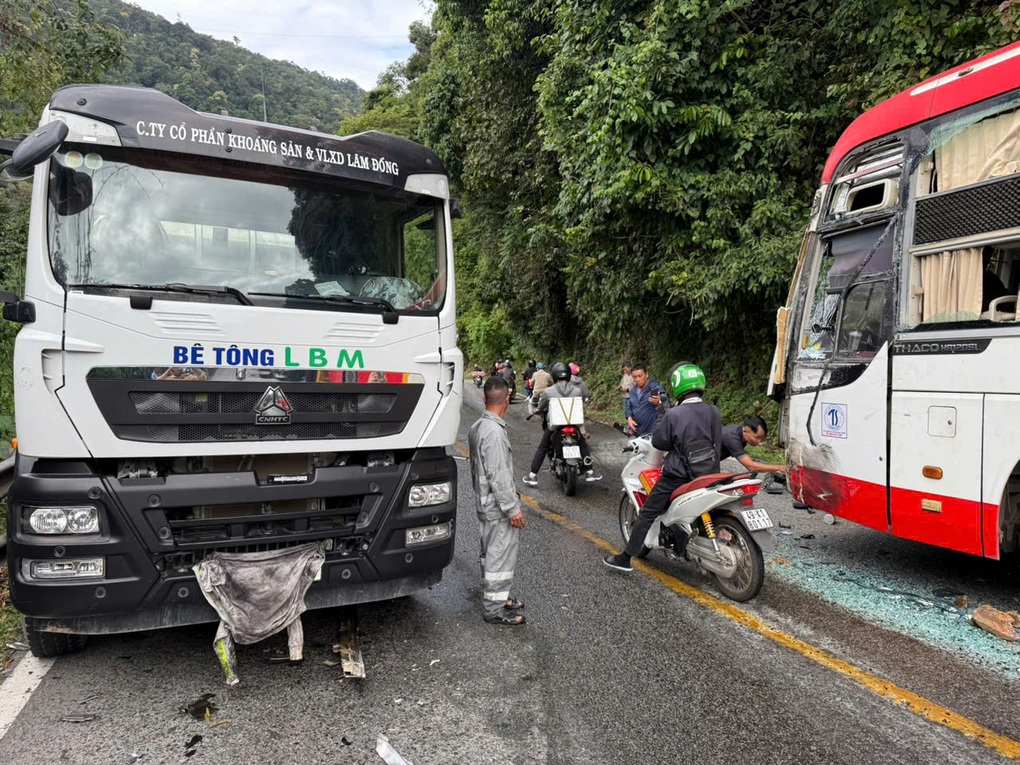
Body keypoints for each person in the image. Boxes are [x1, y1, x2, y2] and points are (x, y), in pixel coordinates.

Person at [604, 362, 722, 572]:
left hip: (678, 475)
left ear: (678, 386)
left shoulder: (674, 414)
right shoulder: (714, 411)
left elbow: (659, 443)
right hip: (709, 473)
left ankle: (625, 558)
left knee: (648, 511)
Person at [467, 376, 527, 626]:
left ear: (485, 399)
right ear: (507, 401)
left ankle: (497, 597)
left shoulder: (478, 426)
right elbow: (498, 475)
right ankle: (494, 608)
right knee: (499, 556)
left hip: (485, 502)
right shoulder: (494, 434)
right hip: (497, 507)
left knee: (491, 553)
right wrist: (513, 509)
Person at [522, 362, 601, 486]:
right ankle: (590, 472)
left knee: (543, 447)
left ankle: (533, 475)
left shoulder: (548, 391)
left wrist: (536, 411)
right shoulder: (576, 390)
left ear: (554, 376)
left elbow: (541, 408)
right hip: (573, 424)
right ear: (568, 375)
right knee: (582, 444)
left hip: (555, 426)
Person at [721, 415, 787, 475]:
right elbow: (751, 466)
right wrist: (780, 468)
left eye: (762, 438)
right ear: (745, 431)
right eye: (757, 437)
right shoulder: (733, 438)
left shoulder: (739, 431)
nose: (759, 441)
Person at [624, 364, 668, 437]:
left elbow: (667, 404)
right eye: (634, 377)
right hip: (638, 432)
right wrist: (629, 419)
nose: (637, 379)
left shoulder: (655, 388)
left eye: (640, 376)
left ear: (646, 374)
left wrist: (659, 401)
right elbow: (629, 407)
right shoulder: (633, 391)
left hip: (653, 432)